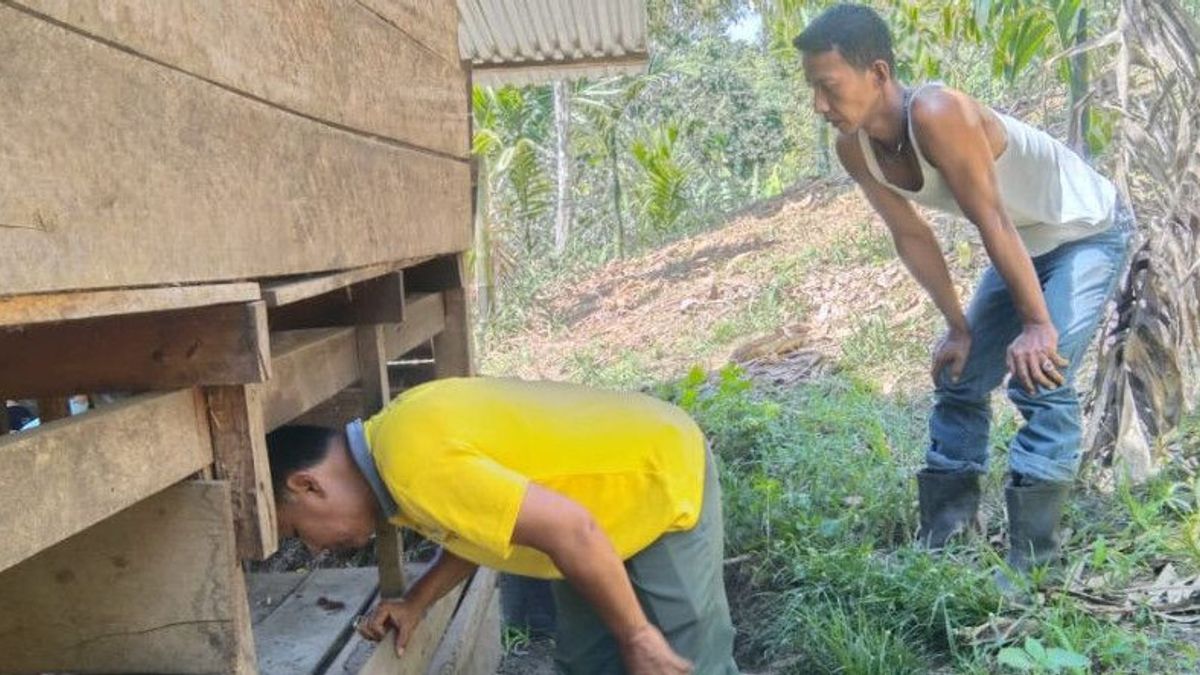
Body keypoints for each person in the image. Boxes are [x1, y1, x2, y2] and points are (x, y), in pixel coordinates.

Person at [793, 4, 1132, 578]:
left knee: (1041, 374)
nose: (819, 106)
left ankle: (1032, 563)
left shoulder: (937, 112)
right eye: (812, 90)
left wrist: (1037, 325)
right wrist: (958, 326)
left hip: (1085, 231)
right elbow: (911, 234)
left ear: (877, 73)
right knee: (960, 375)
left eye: (828, 87)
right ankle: (945, 538)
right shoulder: (854, 146)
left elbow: (991, 220)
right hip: (1023, 242)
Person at [267, 377, 738, 674]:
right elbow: (482, 525)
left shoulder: (412, 465)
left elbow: (573, 529)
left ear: (307, 485)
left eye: (295, 532)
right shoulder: (394, 445)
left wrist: (637, 635)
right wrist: (417, 601)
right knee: (587, 663)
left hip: (652, 474)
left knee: (685, 660)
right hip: (585, 521)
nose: (313, 550)